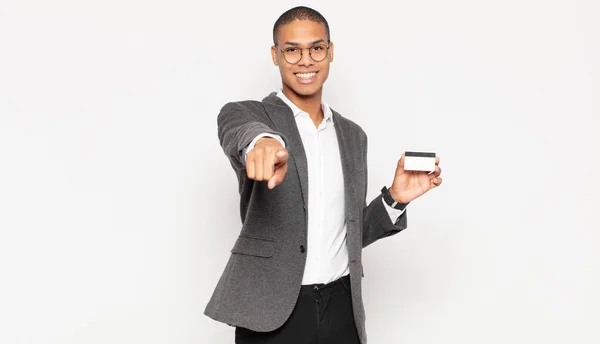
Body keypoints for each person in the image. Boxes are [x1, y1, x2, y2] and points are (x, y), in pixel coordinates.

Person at [205, 6, 443, 344]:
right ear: (276, 55)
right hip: (272, 313)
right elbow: (237, 128)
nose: (306, 60)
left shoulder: (353, 135)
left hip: (341, 307)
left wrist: (395, 198)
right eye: (292, 50)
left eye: (316, 48)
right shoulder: (251, 115)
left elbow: (350, 235)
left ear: (330, 52)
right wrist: (263, 142)